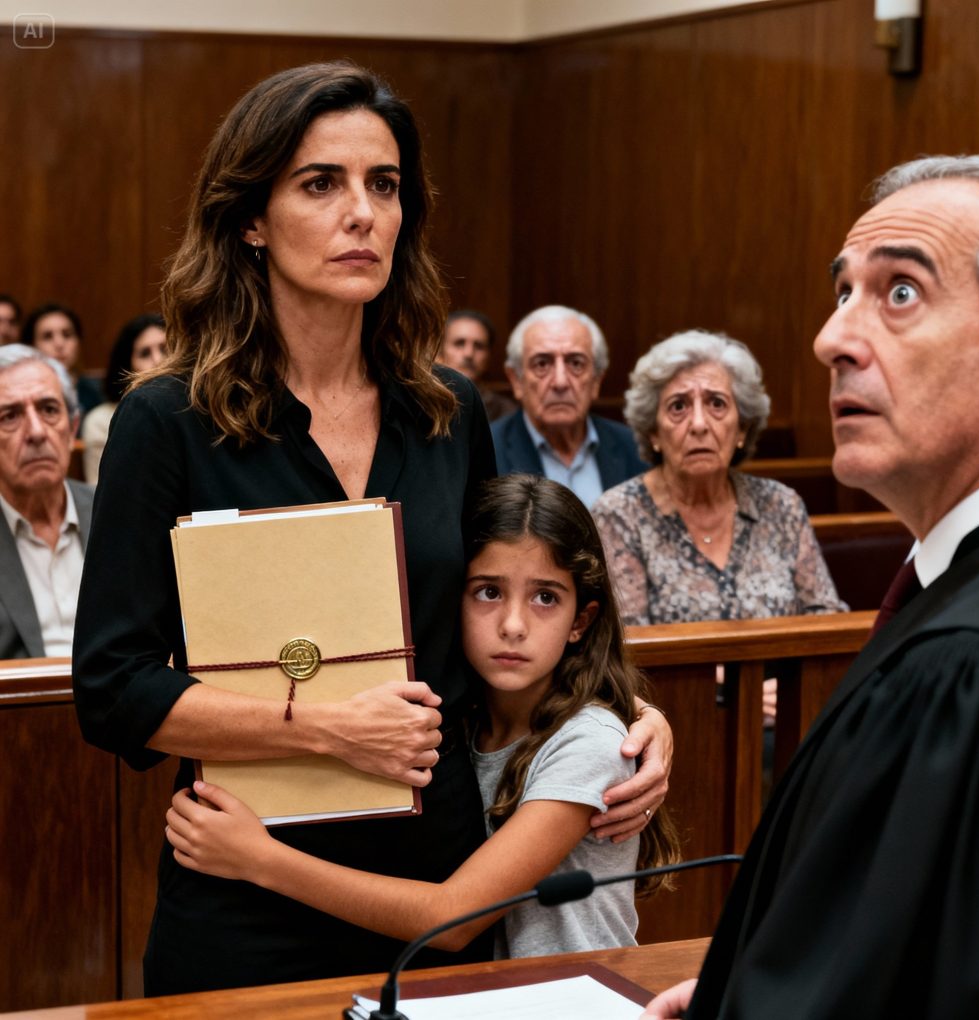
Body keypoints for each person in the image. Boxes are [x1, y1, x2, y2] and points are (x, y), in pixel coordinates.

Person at [71, 60, 670, 996]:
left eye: (383, 186)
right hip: (242, 870)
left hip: (433, 884)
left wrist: (631, 719)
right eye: (322, 184)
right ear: (251, 219)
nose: (362, 213)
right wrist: (325, 730)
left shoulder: (447, 412)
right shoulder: (167, 421)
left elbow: (500, 614)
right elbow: (113, 689)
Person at [642, 154, 979, 1020]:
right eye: (843, 292)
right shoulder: (958, 601)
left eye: (900, 293)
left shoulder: (970, 666)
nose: (831, 338)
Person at [166, 475, 681, 958]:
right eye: (488, 592)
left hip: (576, 998)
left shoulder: (588, 744)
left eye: (545, 597)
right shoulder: (459, 718)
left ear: (581, 621)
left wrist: (259, 860)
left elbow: (452, 919)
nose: (513, 624)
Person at [592, 330, 845, 626]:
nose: (699, 424)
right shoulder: (619, 514)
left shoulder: (781, 505)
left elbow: (826, 616)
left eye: (717, 404)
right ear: (654, 433)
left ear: (742, 429)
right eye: (678, 406)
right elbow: (628, 640)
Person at [492, 305, 646, 508]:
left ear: (597, 380)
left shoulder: (634, 448)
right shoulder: (488, 452)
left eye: (576, 363)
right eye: (542, 364)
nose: (560, 382)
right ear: (516, 380)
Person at [0, 345, 92, 659]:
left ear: (72, 428)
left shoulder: (117, 514)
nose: (37, 432)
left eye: (49, 409)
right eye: (10, 416)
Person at [80, 313, 167, 484]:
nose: (158, 361)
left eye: (165, 349)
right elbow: (100, 492)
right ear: (126, 367)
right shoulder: (101, 421)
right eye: (145, 353)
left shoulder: (197, 409)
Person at [21, 302, 103, 423]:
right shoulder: (21, 393)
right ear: (31, 346)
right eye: (47, 336)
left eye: (67, 335)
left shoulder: (97, 392)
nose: (59, 344)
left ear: (78, 342)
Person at [436, 309, 517, 422]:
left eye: (479, 346)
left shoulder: (507, 413)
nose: (469, 354)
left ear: (489, 356)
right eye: (459, 343)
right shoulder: (421, 403)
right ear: (439, 353)